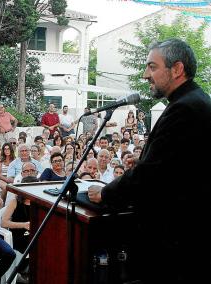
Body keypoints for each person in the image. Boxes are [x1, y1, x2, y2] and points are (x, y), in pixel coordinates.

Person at [88, 39, 211, 283]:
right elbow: (176, 164)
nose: (146, 75)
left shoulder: (184, 108)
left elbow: (151, 176)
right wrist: (145, 158)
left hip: (177, 240)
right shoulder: (195, 101)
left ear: (177, 69)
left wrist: (105, 194)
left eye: (152, 67)